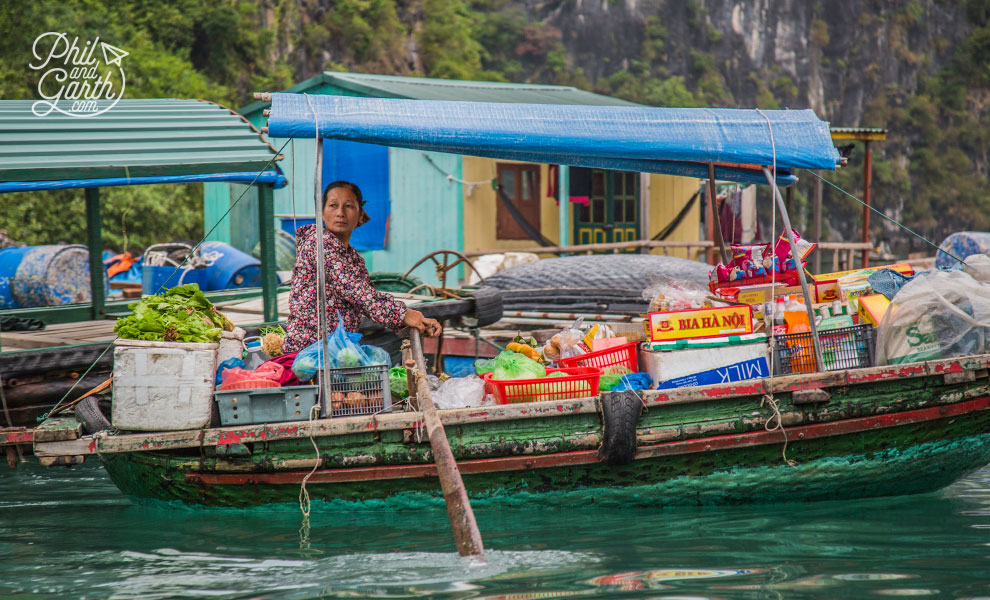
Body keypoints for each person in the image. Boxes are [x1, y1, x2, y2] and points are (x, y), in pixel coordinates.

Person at [282, 181, 441, 353]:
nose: (340, 213)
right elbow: (357, 293)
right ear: (322, 213)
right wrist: (404, 315)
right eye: (333, 205)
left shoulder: (353, 259)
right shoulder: (319, 243)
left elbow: (367, 299)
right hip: (309, 354)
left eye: (348, 206)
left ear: (360, 214)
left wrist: (410, 320)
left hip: (336, 351)